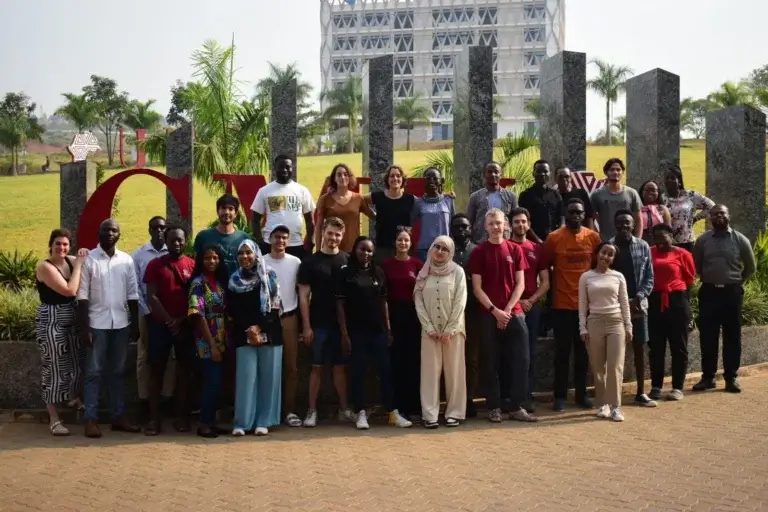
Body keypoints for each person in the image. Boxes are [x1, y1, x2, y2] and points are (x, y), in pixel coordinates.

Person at [335, 236, 413, 430]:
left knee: (386, 371)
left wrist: (388, 329)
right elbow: (340, 306)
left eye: (370, 250)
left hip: (377, 330)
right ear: (355, 250)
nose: (366, 253)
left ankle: (393, 413)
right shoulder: (346, 273)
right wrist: (344, 334)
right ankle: (360, 412)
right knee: (358, 372)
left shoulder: (378, 272)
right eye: (362, 249)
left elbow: (383, 302)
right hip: (356, 331)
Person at [469, 208, 537, 423]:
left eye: (499, 223)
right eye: (491, 224)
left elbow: (521, 284)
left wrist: (507, 311)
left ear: (505, 224)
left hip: (513, 313)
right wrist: (495, 311)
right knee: (490, 361)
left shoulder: (515, 250)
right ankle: (494, 407)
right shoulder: (479, 252)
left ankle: (517, 406)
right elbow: (477, 288)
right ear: (485, 226)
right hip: (488, 313)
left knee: (522, 359)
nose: (496, 227)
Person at [77, 219, 141, 438]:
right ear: (99, 232)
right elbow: (82, 296)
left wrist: (135, 325)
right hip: (97, 324)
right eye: (106, 230)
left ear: (119, 235)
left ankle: (118, 416)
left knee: (117, 372)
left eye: (114, 230)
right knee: (94, 373)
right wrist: (84, 327)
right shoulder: (89, 260)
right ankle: (91, 420)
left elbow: (133, 294)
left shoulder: (126, 260)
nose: (110, 233)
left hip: (122, 323)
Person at [543, 198, 601, 412]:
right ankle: (559, 396)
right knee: (562, 353)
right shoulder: (553, 238)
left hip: (586, 307)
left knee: (582, 354)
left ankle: (581, 394)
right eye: (571, 212)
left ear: (584, 214)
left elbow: (598, 268)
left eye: (579, 212)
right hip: (561, 305)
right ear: (565, 214)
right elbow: (545, 266)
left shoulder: (593, 237)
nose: (575, 215)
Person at [692, 204, 755, 393]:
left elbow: (750, 267)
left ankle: (731, 378)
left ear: (729, 216)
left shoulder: (739, 239)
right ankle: (708, 377)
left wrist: (735, 281)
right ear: (710, 218)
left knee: (732, 337)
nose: (719, 216)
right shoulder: (702, 241)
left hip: (732, 294)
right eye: (715, 214)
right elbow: (697, 266)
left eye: (722, 213)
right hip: (709, 293)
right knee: (708, 337)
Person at [299, 217, 355, 427]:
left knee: (340, 368)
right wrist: (306, 326)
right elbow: (303, 296)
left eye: (337, 234)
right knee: (316, 368)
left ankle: (344, 409)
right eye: (330, 233)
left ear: (342, 236)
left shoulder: (348, 261)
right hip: (318, 324)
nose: (333, 238)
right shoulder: (310, 263)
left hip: (341, 327)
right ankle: (311, 411)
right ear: (323, 232)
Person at [142, 226, 196, 436]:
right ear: (166, 240)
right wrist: (169, 320)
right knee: (156, 371)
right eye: (172, 240)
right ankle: (154, 420)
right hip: (160, 326)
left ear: (185, 241)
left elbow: (195, 295)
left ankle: (181, 417)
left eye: (180, 240)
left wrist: (181, 319)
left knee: (185, 372)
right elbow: (151, 296)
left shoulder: (192, 264)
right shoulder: (155, 264)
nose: (177, 244)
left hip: (185, 325)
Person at [35, 229, 89, 436]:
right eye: (58, 244)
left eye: (66, 245)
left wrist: (82, 256)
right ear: (50, 245)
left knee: (76, 361)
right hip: (51, 322)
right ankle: (54, 418)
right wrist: (78, 266)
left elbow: (87, 259)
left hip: (73, 319)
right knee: (53, 367)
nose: (62, 248)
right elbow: (69, 290)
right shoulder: (45, 267)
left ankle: (74, 398)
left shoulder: (70, 261)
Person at [228, 240, 283, 436]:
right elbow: (233, 310)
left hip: (270, 333)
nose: (245, 257)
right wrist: (249, 330)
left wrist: (259, 328)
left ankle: (264, 421)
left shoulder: (269, 277)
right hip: (244, 335)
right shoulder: (233, 280)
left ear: (256, 254)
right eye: (241, 253)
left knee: (269, 379)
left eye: (249, 253)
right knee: (246, 379)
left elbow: (275, 308)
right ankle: (242, 423)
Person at [414, 236, 467, 428]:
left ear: (450, 252)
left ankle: (454, 412)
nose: (439, 251)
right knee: (429, 374)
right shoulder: (423, 273)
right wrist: (429, 327)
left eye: (445, 249)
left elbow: (461, 301)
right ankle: (430, 415)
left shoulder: (458, 272)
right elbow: (418, 301)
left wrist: (450, 329)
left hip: (453, 332)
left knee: (454, 373)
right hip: (430, 333)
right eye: (436, 246)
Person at [578, 242, 632, 422]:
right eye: (603, 253)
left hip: (616, 322)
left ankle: (616, 406)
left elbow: (624, 303)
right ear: (597, 253)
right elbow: (582, 305)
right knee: (598, 367)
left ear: (613, 258)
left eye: (610, 254)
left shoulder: (618, 277)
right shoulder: (586, 277)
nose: (606, 257)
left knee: (615, 366)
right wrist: (582, 327)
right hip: (594, 323)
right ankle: (603, 404)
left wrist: (628, 326)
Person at [609, 210, 655, 407]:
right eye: (620, 223)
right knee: (614, 351)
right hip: (614, 307)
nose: (624, 227)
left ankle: (640, 392)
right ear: (615, 225)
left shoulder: (643, 246)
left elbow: (649, 276)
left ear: (633, 224)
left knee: (639, 348)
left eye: (627, 223)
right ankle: (612, 395)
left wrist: (640, 296)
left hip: (638, 306)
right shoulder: (609, 247)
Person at [131, 216, 174, 421]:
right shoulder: (139, 255)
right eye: (155, 227)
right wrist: (147, 311)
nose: (159, 231)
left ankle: (166, 398)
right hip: (146, 313)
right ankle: (143, 399)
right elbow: (136, 288)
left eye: (162, 228)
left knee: (170, 356)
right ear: (149, 229)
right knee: (144, 356)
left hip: (171, 315)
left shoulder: (174, 250)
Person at [648, 224, 696, 401]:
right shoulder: (649, 252)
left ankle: (677, 387)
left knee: (679, 346)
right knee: (656, 347)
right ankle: (655, 386)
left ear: (671, 236)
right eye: (656, 238)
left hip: (677, 301)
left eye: (663, 237)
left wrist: (685, 305)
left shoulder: (683, 254)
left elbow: (690, 279)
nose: (660, 242)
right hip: (655, 301)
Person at [508, 208, 550, 412]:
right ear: (510, 225)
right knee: (508, 352)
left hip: (531, 308)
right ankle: (509, 397)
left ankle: (527, 396)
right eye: (516, 222)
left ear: (529, 224)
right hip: (508, 308)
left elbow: (545, 282)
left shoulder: (537, 248)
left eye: (524, 221)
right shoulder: (504, 247)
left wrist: (531, 301)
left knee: (529, 353)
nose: (520, 225)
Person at [380, 227, 423, 419]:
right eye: (399, 240)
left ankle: (413, 406)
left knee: (413, 361)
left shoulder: (418, 265)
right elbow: (383, 296)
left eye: (406, 240)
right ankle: (396, 406)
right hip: (393, 315)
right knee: (395, 361)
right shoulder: (385, 265)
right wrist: (387, 325)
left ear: (411, 243)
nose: (403, 243)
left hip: (414, 317)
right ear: (394, 243)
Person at [262, 225, 302, 427]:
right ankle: (269, 412)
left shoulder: (295, 262)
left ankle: (289, 410)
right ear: (270, 239)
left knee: (291, 366)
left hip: (289, 318)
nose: (281, 241)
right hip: (267, 320)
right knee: (269, 367)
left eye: (285, 238)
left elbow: (302, 293)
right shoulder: (261, 261)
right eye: (277, 237)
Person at [188, 244, 230, 438]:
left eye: (215, 258)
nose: (211, 261)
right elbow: (198, 315)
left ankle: (212, 421)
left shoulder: (220, 282)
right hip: (206, 339)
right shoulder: (198, 283)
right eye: (207, 258)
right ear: (201, 260)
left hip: (222, 336)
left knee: (218, 382)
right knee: (212, 381)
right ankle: (204, 423)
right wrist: (212, 345)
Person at [250, 154, 315, 260]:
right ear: (275, 168)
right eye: (281, 167)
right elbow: (255, 220)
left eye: (287, 167)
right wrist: (260, 241)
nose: (284, 170)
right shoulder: (265, 191)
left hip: (295, 244)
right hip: (270, 244)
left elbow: (309, 220)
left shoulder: (302, 191)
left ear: (292, 168)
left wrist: (310, 243)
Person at [450, 213, 480, 417]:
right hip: (450, 312)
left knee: (472, 358)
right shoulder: (445, 251)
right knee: (452, 358)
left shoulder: (477, 251)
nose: (462, 230)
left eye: (465, 227)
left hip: (473, 312)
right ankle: (453, 399)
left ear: (471, 229)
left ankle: (469, 398)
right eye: (457, 227)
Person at [315, 164, 375, 253]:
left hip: (353, 251)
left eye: (345, 174)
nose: (342, 177)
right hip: (331, 250)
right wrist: (318, 251)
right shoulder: (325, 199)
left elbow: (374, 216)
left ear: (350, 177)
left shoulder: (358, 198)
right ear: (334, 179)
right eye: (339, 175)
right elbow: (319, 227)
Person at [366, 165, 416, 263]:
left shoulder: (411, 199)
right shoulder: (378, 197)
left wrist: (445, 196)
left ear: (403, 179)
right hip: (383, 247)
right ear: (387, 179)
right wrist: (372, 215)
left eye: (398, 176)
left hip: (403, 247)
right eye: (392, 176)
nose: (395, 178)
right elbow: (358, 199)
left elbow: (426, 201)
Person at [193, 194, 250, 275]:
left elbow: (249, 264)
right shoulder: (203, 236)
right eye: (223, 208)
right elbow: (197, 265)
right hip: (211, 286)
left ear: (236, 213)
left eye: (231, 209)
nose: (227, 212)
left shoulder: (244, 238)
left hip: (237, 286)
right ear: (217, 211)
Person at [662, 165, 715, 252]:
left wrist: (696, 218)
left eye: (672, 178)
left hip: (687, 241)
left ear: (679, 181)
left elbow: (711, 206)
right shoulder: (661, 198)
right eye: (667, 178)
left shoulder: (690, 196)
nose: (669, 180)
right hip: (668, 243)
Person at [590, 158, 643, 241]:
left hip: (628, 242)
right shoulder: (597, 195)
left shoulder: (632, 193)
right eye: (612, 170)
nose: (615, 172)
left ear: (623, 172)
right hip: (605, 242)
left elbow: (639, 219)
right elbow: (590, 219)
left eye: (618, 170)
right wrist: (596, 238)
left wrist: (637, 240)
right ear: (606, 172)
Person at [467, 161, 518, 243]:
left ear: (500, 175)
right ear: (484, 175)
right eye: (489, 172)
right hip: (481, 241)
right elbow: (470, 221)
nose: (493, 174)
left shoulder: (511, 196)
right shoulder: (475, 197)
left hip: (505, 240)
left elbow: (515, 220)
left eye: (496, 172)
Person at [412, 167, 456, 261]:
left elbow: (453, 224)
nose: (431, 181)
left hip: (445, 248)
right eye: (428, 179)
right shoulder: (418, 203)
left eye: (435, 178)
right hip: (425, 250)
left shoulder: (448, 200)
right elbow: (410, 224)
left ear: (441, 181)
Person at [518, 160, 563, 243]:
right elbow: (524, 220)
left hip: (554, 241)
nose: (542, 174)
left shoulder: (556, 195)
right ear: (533, 173)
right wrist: (538, 240)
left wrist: (557, 236)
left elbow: (561, 217)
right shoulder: (525, 195)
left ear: (550, 174)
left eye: (545, 171)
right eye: (538, 171)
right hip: (532, 241)